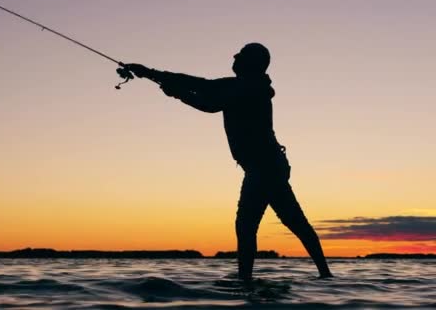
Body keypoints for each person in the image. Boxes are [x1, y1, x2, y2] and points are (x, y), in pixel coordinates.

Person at [123, 43, 333, 281]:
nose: (234, 55)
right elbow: (199, 85)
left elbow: (208, 100)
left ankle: (246, 281)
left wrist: (171, 89)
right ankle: (324, 276)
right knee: (293, 222)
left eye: (241, 54)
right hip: (269, 166)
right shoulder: (246, 85)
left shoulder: (247, 87)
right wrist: (151, 75)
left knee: (249, 225)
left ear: (252, 62)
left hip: (263, 168)